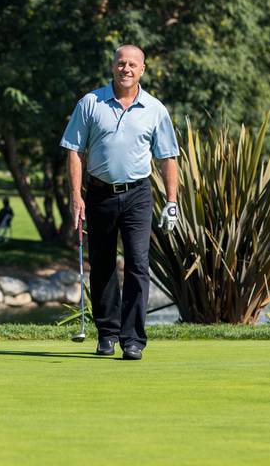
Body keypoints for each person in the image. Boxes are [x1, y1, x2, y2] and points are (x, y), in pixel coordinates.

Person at [61, 45, 179, 361]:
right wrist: (76, 195)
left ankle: (133, 340)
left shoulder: (155, 109)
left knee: (138, 265)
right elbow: (74, 149)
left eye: (132, 64)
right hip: (99, 193)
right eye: (121, 63)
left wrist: (172, 202)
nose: (126, 68)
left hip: (138, 195)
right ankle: (107, 334)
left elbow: (168, 157)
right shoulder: (91, 103)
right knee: (102, 265)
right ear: (113, 66)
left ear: (142, 69)